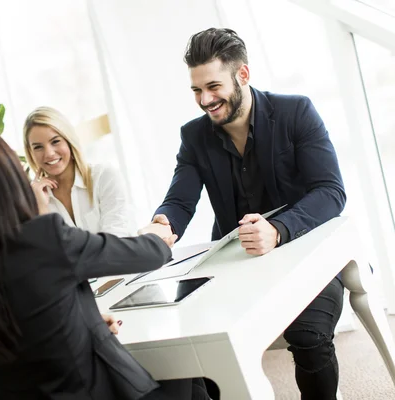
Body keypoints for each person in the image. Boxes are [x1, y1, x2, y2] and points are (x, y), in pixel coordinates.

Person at [0, 129, 210, 399]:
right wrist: (158, 235)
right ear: (1, 181)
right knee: (192, 373)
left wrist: (85, 323)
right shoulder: (41, 238)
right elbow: (143, 255)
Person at [145, 28, 346, 399]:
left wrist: (279, 229)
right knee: (187, 340)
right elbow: (180, 201)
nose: (205, 100)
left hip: (303, 248)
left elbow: (331, 192)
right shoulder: (193, 137)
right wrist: (162, 225)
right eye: (196, 90)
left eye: (213, 87)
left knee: (308, 336)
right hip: (233, 261)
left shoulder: (296, 111)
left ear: (243, 75)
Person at [24, 106, 133, 237]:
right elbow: (47, 253)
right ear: (30, 152)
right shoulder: (35, 199)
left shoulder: (104, 177)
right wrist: (41, 209)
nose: (49, 153)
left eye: (55, 141)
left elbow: (116, 240)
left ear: (69, 140)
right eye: (38, 147)